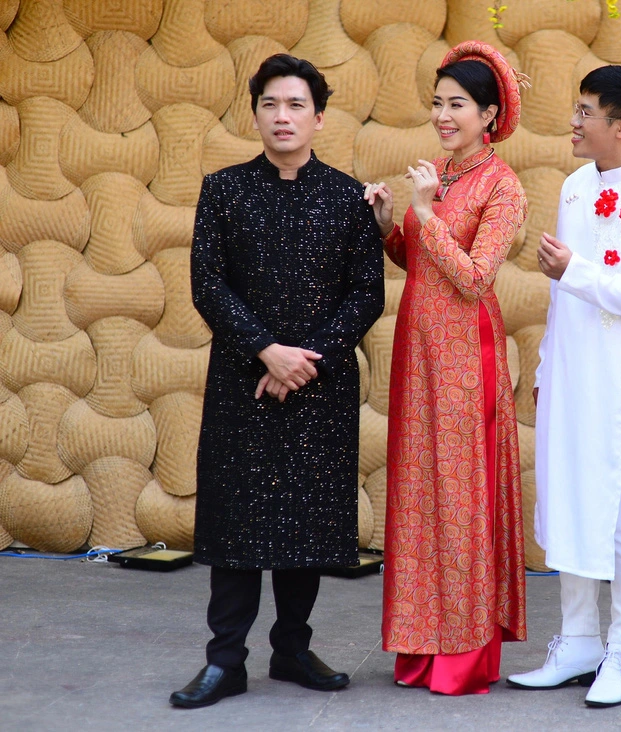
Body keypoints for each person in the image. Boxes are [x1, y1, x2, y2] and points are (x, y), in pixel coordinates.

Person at [170, 53, 385, 709]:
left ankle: (292, 650)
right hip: (244, 378)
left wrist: (303, 359)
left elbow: (364, 296)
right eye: (271, 104)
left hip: (318, 386)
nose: (283, 116)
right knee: (237, 524)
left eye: (296, 105)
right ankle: (224, 661)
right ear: (255, 113)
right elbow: (208, 285)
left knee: (306, 524)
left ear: (319, 118)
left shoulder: (349, 198)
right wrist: (266, 350)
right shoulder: (224, 190)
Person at [505, 66, 621, 708]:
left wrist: (576, 271)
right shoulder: (576, 187)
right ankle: (577, 641)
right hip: (573, 377)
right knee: (573, 501)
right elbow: (561, 299)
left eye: (586, 112)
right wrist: (550, 366)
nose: (574, 123)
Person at [362, 41, 528, 696]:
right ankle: (422, 644)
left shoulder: (502, 185)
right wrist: (387, 225)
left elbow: (474, 277)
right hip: (419, 351)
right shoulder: (440, 172)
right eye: (437, 103)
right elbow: (422, 260)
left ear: (489, 115)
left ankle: (462, 654)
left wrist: (426, 212)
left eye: (456, 104)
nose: (443, 115)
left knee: (460, 496)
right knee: (420, 493)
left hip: (465, 355)